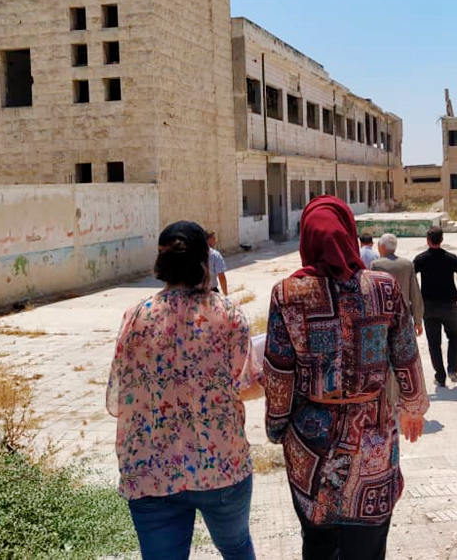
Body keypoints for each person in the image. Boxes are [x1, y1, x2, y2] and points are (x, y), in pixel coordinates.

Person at [264, 196, 429, 560]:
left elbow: (279, 370)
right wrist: (414, 406)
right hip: (372, 437)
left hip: (311, 444)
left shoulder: (287, 294)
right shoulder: (383, 288)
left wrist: (276, 427)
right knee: (367, 545)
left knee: (319, 541)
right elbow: (405, 355)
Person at [107, 221, 256, 560]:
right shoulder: (228, 313)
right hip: (221, 465)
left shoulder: (137, 315)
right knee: (236, 549)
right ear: (206, 262)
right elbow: (244, 386)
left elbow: (119, 398)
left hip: (150, 470)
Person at [413, 226, 457, 388]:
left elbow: (411, 278)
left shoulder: (420, 259)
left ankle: (440, 377)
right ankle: (452, 369)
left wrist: (414, 299)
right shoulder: (451, 258)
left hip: (428, 307)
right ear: (442, 240)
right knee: (454, 336)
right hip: (449, 306)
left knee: (433, 343)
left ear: (427, 240)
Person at [371, 233, 424, 336]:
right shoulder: (407, 264)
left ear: (381, 247)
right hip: (404, 316)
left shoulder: (375, 265)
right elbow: (415, 295)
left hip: (383, 317)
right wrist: (418, 321)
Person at [207, 230, 228, 294]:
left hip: (195, 294)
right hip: (211, 292)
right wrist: (225, 295)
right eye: (213, 239)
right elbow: (221, 277)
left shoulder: (193, 254)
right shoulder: (215, 254)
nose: (215, 242)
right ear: (208, 240)